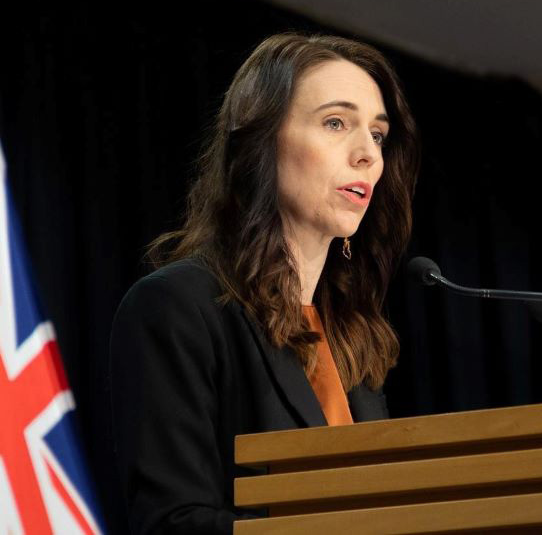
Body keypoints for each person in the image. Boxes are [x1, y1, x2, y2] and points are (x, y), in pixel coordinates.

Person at [109, 32, 420, 534]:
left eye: (379, 134)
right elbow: (173, 522)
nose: (368, 153)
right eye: (336, 123)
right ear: (261, 139)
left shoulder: (352, 337)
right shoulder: (177, 308)